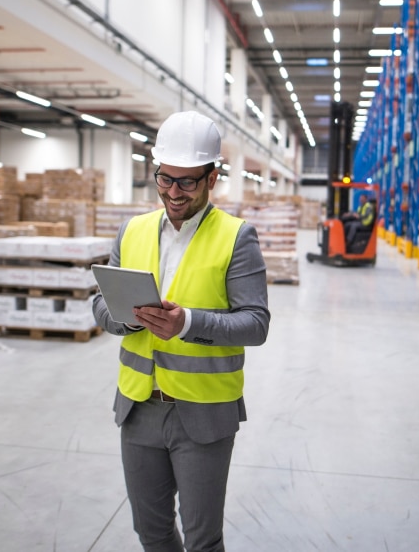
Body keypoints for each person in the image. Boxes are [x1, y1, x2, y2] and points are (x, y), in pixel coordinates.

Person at [92, 111, 270, 552]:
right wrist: (129, 317)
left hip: (203, 416)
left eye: (187, 182)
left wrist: (186, 323)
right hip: (138, 407)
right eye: (165, 179)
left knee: (202, 540)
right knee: (150, 532)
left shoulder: (236, 237)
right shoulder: (131, 231)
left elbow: (256, 323)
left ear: (213, 178)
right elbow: (100, 304)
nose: (173, 192)